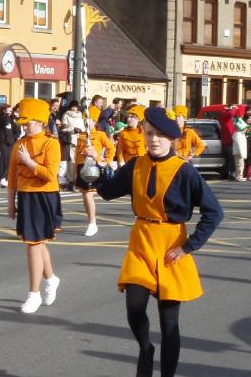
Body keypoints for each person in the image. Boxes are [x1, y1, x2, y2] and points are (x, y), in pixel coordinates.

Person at [97, 107, 223, 377]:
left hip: (170, 245)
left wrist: (188, 246)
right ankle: (145, 348)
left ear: (172, 139)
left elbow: (214, 212)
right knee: (134, 306)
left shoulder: (184, 171)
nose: (154, 140)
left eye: (161, 135)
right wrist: (93, 168)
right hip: (141, 241)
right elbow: (106, 192)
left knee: (169, 324)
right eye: (150, 133)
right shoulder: (135, 165)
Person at [8, 98, 62, 314]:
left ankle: (34, 294)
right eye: (22, 122)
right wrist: (10, 203)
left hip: (44, 196)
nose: (23, 126)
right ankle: (51, 278)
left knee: (34, 244)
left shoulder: (51, 143)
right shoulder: (19, 144)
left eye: (27, 122)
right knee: (37, 243)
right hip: (26, 197)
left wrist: (30, 162)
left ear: (40, 121)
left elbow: (50, 175)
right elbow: (12, 176)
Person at [75, 106, 115, 236]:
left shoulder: (99, 134)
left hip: (92, 167)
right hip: (81, 167)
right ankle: (90, 220)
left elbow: (111, 149)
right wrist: (75, 169)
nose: (87, 122)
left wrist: (104, 161)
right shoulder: (81, 135)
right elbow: (77, 154)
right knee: (84, 195)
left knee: (88, 194)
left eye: (90, 119)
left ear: (94, 121)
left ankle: (92, 224)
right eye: (85, 119)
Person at [61, 100, 85, 190]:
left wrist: (80, 130)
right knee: (71, 161)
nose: (75, 108)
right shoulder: (66, 115)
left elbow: (83, 128)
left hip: (80, 140)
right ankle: (71, 181)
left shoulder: (80, 116)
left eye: (76, 106)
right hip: (71, 140)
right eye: (73, 106)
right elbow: (64, 128)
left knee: (78, 161)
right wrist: (74, 129)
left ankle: (76, 179)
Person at [0, 104, 18, 188]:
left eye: (11, 110)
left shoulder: (12, 118)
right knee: (4, 160)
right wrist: (6, 114)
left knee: (10, 160)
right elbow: (4, 121)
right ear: (3, 110)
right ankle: (2, 177)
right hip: (3, 142)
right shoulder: (1, 118)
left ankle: (6, 177)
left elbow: (16, 130)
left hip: (11, 142)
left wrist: (14, 138)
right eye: (8, 110)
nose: (10, 112)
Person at [218, 105, 237, 180]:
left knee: (227, 158)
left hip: (226, 139)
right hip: (228, 139)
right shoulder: (226, 115)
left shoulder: (223, 115)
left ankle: (225, 174)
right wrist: (234, 108)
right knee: (230, 158)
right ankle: (231, 174)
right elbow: (231, 114)